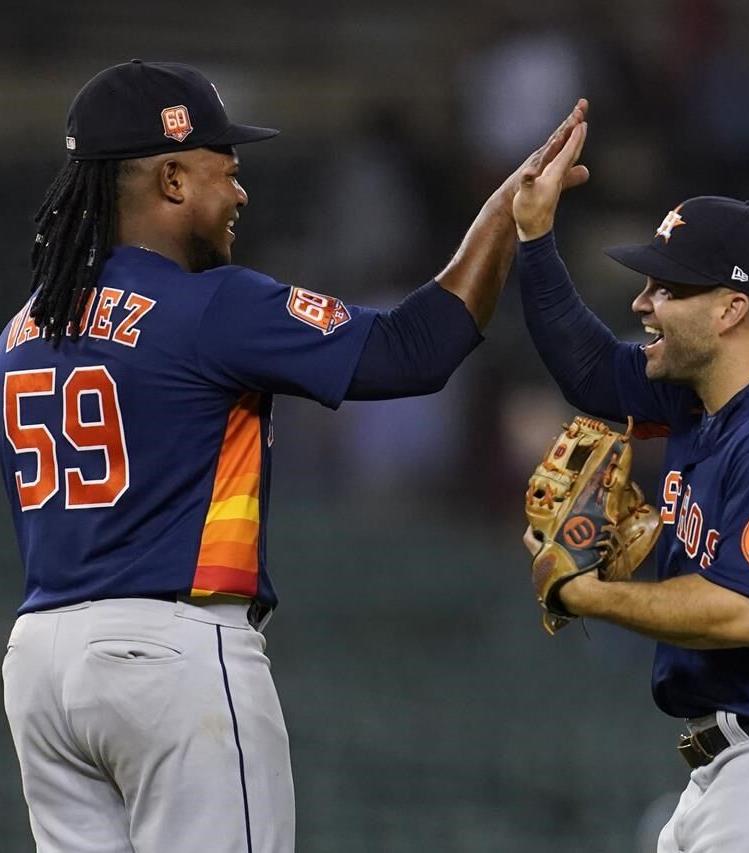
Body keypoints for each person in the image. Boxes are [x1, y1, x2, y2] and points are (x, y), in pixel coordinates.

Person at [0, 60, 589, 853]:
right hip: (170, 653)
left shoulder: (20, 329)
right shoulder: (213, 304)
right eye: (225, 171)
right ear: (171, 178)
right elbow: (415, 351)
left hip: (40, 663)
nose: (239, 193)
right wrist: (500, 217)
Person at [512, 140, 749, 850]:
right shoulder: (701, 394)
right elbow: (591, 370)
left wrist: (584, 594)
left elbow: (741, 613)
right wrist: (535, 236)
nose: (641, 302)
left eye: (665, 288)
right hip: (737, 766)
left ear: (730, 308)